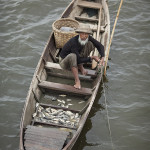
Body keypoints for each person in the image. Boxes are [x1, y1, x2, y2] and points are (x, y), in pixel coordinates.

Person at [59, 23, 105, 89]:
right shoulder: (74, 42)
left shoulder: (88, 38)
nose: (84, 36)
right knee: (73, 56)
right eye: (82, 34)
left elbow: (100, 46)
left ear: (88, 34)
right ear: (79, 33)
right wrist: (92, 58)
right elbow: (78, 59)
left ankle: (81, 67)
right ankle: (77, 81)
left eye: (86, 34)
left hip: (76, 59)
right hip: (64, 62)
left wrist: (102, 57)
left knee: (90, 44)